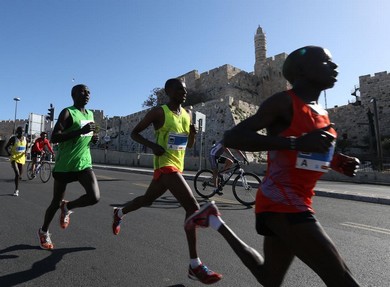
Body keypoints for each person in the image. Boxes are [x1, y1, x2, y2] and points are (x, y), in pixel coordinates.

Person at [185, 46, 361, 286]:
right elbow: (233, 137)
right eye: (324, 62)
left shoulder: (322, 114)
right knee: (343, 281)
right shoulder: (283, 103)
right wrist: (295, 142)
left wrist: (339, 162)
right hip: (283, 202)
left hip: (291, 201)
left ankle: (215, 221)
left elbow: (309, 150)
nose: (334, 66)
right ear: (301, 71)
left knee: (269, 277)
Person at [112, 78, 222, 285]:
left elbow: (188, 146)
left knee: (146, 200)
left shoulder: (187, 114)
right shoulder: (159, 112)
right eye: (180, 88)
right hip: (165, 164)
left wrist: (192, 135)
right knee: (193, 207)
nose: (184, 92)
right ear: (169, 91)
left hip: (176, 167)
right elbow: (134, 133)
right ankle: (195, 265)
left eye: (186, 89)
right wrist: (152, 146)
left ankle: (119, 212)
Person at [37, 84, 100, 250]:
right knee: (55, 202)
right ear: (73, 95)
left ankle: (68, 207)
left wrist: (93, 138)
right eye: (82, 91)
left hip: (84, 162)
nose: (86, 94)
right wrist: (80, 131)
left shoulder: (90, 114)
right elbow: (55, 137)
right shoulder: (67, 112)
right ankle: (44, 231)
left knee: (94, 197)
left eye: (88, 92)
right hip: (65, 164)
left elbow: (88, 134)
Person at [5, 126, 27, 196]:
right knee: (17, 173)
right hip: (14, 157)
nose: (22, 133)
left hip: (21, 158)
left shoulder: (26, 139)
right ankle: (16, 190)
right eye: (20, 131)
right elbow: (6, 147)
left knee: (19, 175)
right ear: (17, 132)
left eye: (23, 131)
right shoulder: (13, 139)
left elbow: (26, 147)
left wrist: (26, 152)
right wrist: (9, 153)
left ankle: (18, 179)